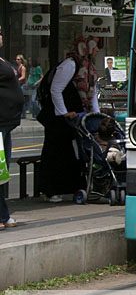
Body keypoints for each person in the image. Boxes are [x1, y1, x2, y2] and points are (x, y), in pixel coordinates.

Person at [37, 41, 100, 202]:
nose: (97, 50)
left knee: (72, 152)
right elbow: (55, 89)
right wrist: (63, 113)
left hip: (75, 116)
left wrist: (95, 115)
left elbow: (92, 93)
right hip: (59, 118)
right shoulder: (71, 64)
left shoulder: (88, 67)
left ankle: (71, 187)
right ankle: (50, 189)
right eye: (94, 47)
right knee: (55, 152)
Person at [0, 27, 25, 228]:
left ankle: (2, 215)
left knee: (3, 170)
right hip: (0, 124)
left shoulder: (2, 60)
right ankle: (2, 215)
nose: (1, 36)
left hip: (6, 124)